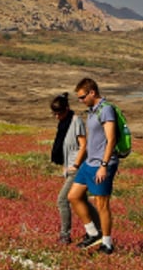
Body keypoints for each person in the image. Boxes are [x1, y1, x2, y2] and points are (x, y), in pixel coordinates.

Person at [67, 77, 121, 254]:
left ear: (92, 92)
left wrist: (104, 165)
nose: (81, 101)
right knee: (73, 196)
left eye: (82, 97)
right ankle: (92, 233)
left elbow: (111, 139)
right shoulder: (92, 111)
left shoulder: (106, 110)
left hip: (102, 163)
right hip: (89, 163)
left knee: (102, 204)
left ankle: (107, 243)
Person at [49, 92, 97, 245]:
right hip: (70, 168)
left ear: (67, 109)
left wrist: (75, 165)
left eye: (59, 113)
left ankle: (65, 235)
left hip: (78, 168)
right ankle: (98, 229)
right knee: (82, 200)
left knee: (62, 200)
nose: (57, 116)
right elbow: (66, 148)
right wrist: (65, 166)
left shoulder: (76, 121)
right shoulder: (63, 124)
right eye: (54, 113)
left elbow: (83, 146)